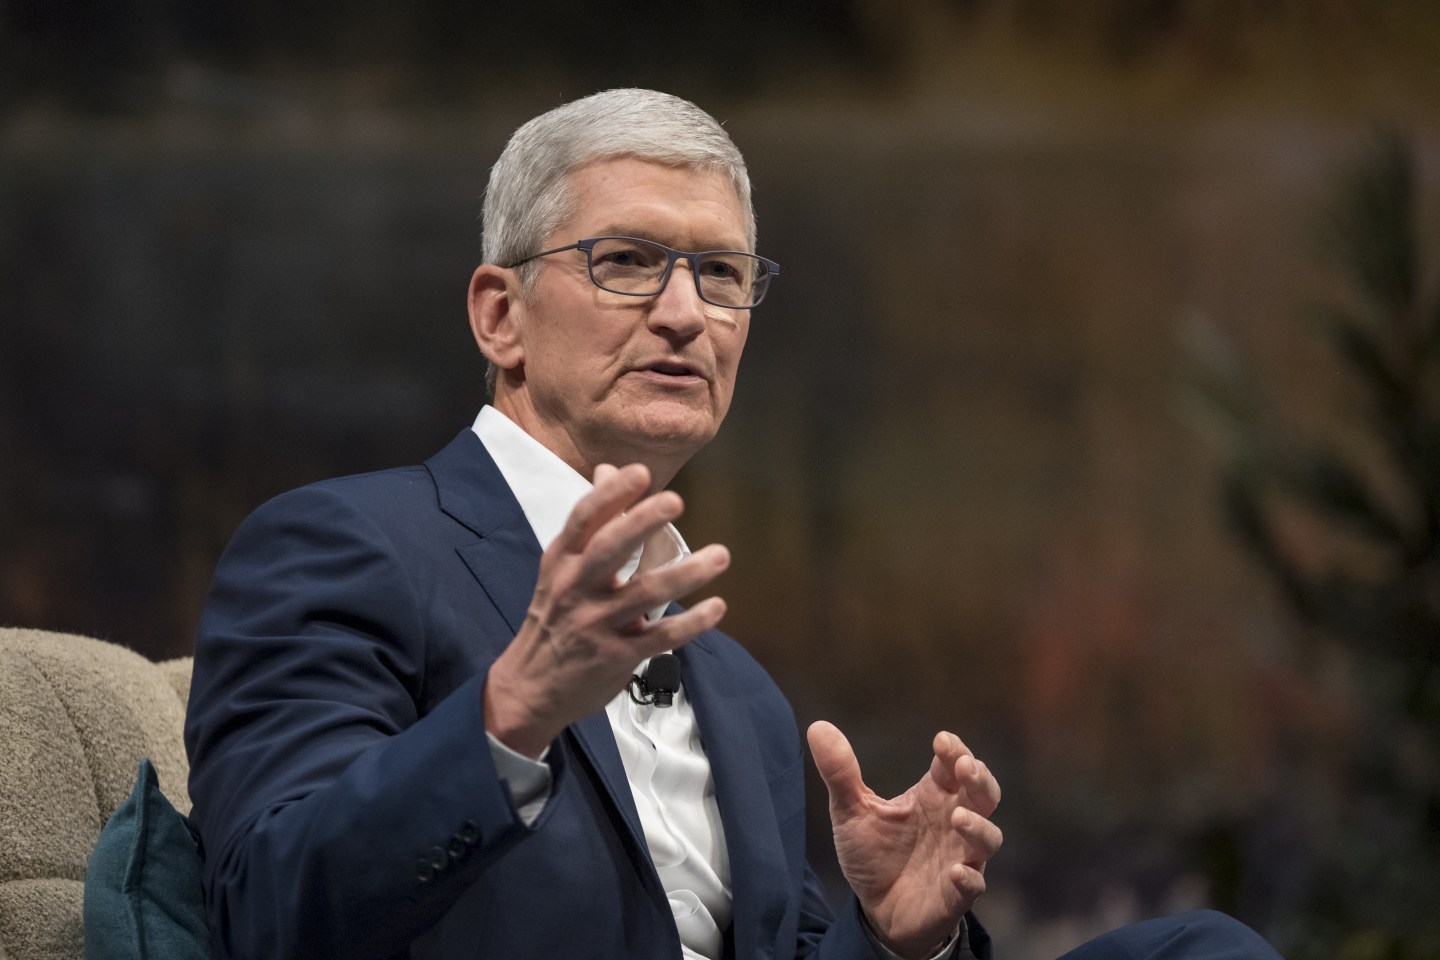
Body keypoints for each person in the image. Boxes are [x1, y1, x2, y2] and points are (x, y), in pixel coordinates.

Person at [184, 89, 1281, 960]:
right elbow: (267, 913)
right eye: (626, 262)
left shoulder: (741, 692)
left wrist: (896, 938)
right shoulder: (346, 546)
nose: (684, 314)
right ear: (500, 315)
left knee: (1201, 949)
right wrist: (509, 715)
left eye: (719, 274)